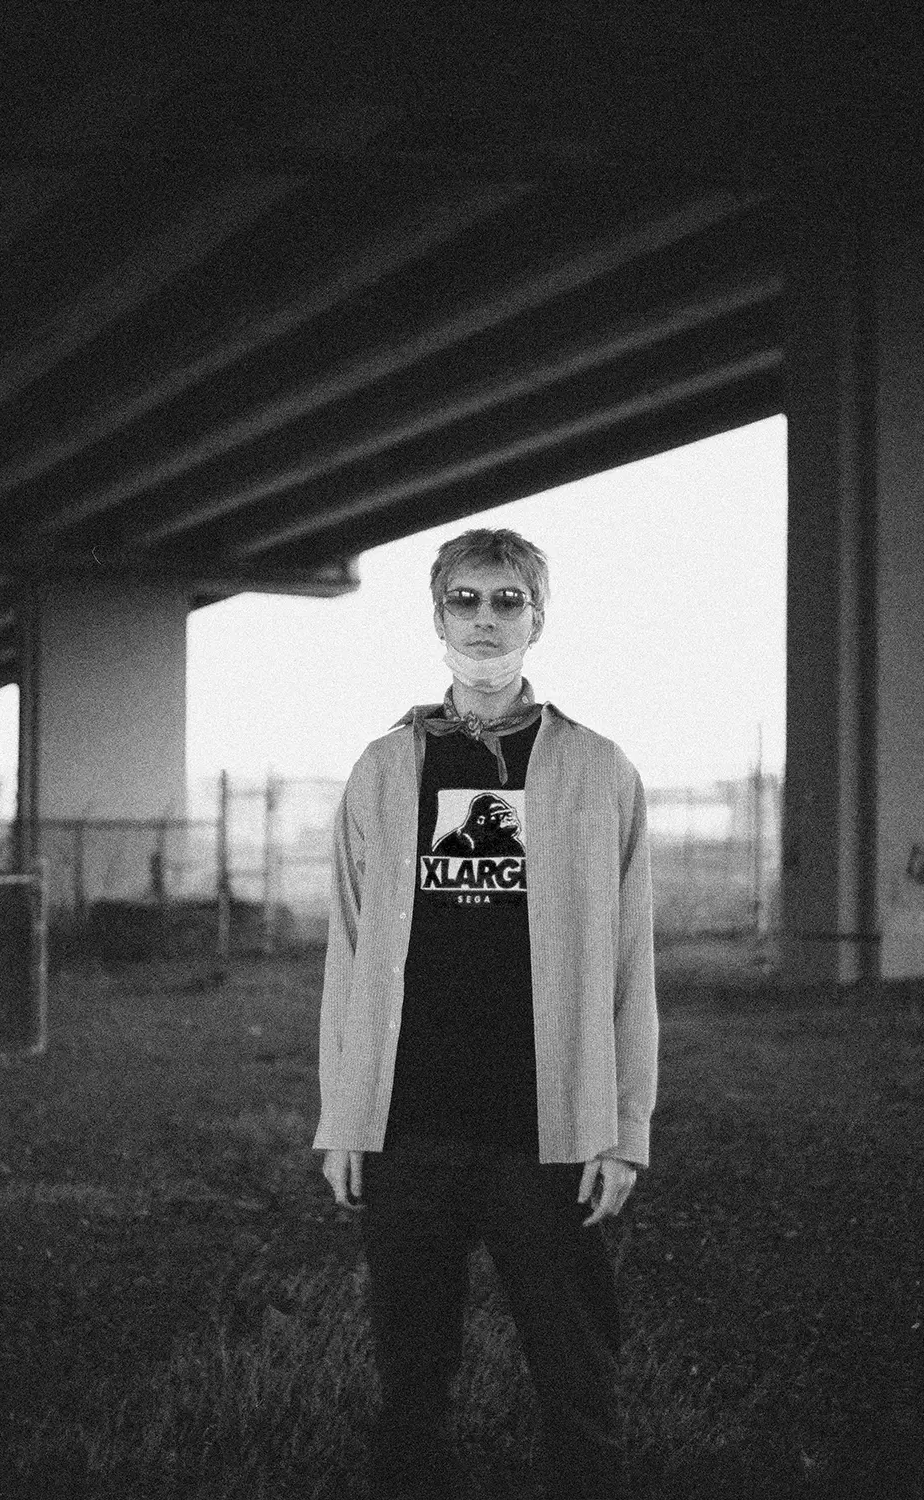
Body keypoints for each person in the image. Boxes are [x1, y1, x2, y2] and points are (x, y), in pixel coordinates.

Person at [315, 527, 658, 1500]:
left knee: (576, 1384)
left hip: (539, 1133)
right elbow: (348, 949)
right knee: (410, 1389)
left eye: (507, 600)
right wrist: (344, 1114)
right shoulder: (385, 767)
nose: (483, 619)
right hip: (408, 1128)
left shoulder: (597, 770)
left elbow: (632, 960)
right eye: (464, 600)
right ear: (435, 617)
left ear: (537, 619)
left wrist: (623, 1128)